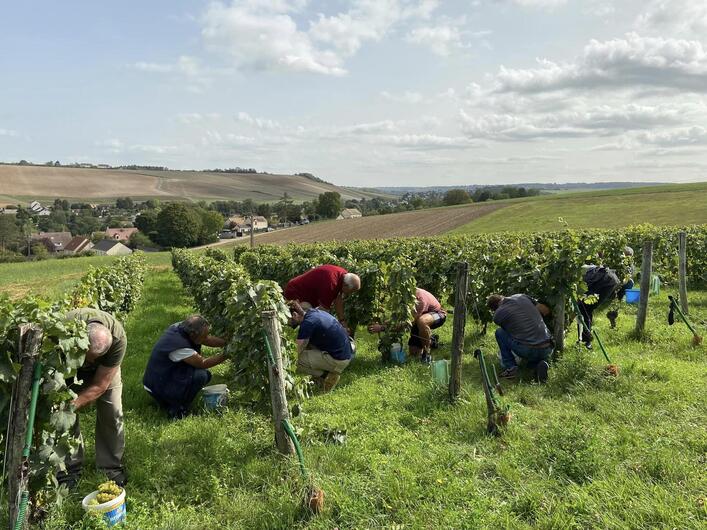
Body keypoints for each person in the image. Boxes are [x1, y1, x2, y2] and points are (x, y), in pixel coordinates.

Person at [62, 308, 128, 486]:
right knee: (63, 414)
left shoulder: (118, 340)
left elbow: (100, 384)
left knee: (112, 411)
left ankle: (111, 468)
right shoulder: (64, 329)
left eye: (95, 358)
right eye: (88, 357)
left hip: (105, 370)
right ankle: (69, 469)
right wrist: (66, 408)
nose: (90, 363)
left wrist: (73, 404)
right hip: (68, 362)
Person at [143, 315, 227, 419]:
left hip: (161, 376)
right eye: (203, 336)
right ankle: (177, 409)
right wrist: (227, 354)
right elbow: (203, 363)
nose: (206, 338)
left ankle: (176, 399)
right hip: (157, 387)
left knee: (203, 374)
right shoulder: (179, 346)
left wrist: (227, 343)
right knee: (201, 376)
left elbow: (206, 339)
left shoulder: (182, 328)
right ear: (193, 335)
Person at [367, 287, 447, 363]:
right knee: (414, 354)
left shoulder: (420, 300)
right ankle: (431, 341)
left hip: (438, 314)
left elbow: (407, 324)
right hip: (418, 319)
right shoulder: (404, 298)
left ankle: (426, 354)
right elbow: (398, 318)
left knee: (422, 321)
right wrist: (384, 323)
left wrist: (382, 328)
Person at [289, 302, 355, 392]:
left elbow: (295, 352)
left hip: (339, 359)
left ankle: (326, 376)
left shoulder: (307, 323)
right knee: (307, 348)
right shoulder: (315, 313)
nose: (288, 323)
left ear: (294, 315)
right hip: (347, 353)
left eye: (288, 319)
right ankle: (321, 377)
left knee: (293, 362)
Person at [487, 293, 553, 383]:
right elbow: (544, 310)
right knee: (532, 357)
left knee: (499, 332)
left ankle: (511, 368)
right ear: (502, 296)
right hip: (548, 346)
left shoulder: (497, 315)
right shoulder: (521, 296)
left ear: (493, 309)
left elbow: (510, 333)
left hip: (528, 350)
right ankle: (537, 366)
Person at [578, 249, 634, 345]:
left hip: (605, 280)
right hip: (611, 280)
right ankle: (585, 340)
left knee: (584, 308)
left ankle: (586, 341)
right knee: (586, 309)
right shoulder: (584, 268)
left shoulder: (575, 272)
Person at [284, 265, 361, 331]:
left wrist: (342, 321)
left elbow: (338, 299)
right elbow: (323, 312)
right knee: (306, 319)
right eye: (351, 291)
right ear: (345, 285)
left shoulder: (343, 275)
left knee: (310, 319)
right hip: (296, 293)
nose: (350, 294)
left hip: (305, 293)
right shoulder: (331, 285)